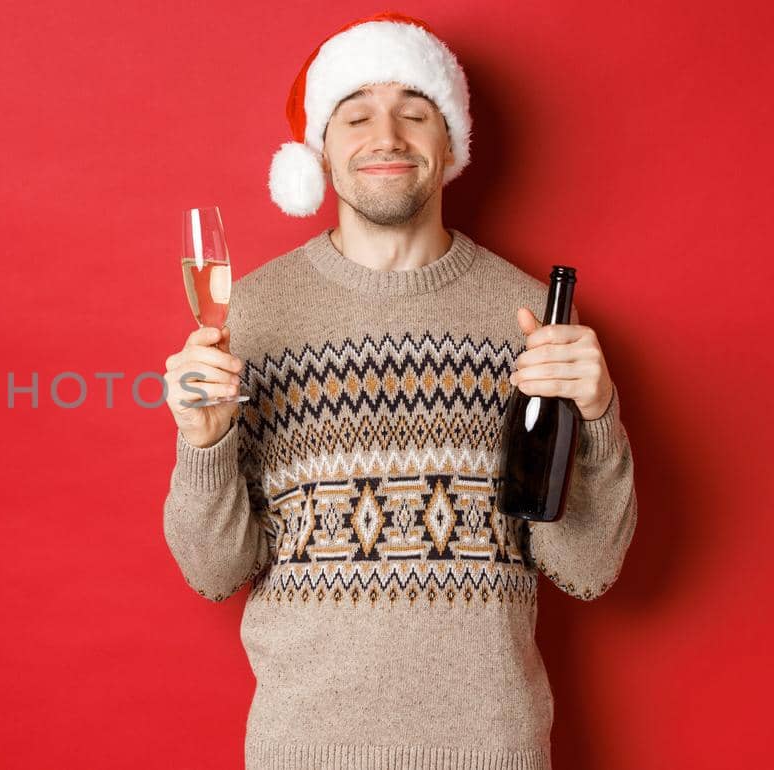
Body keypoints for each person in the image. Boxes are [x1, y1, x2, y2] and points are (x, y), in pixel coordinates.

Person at [160, 11, 638, 769]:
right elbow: (213, 573)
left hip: (493, 750)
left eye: (416, 113)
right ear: (319, 149)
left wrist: (600, 418)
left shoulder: (531, 320)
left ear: (450, 143)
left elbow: (588, 567)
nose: (387, 136)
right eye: (356, 116)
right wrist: (204, 444)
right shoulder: (248, 316)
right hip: (303, 751)